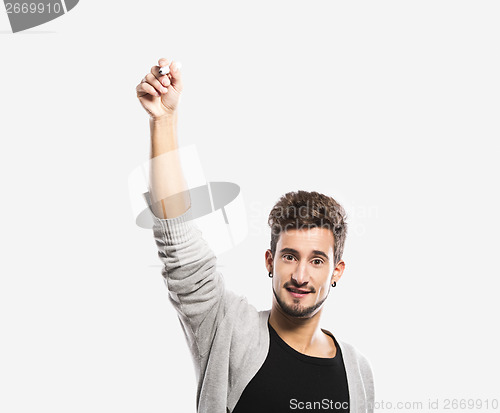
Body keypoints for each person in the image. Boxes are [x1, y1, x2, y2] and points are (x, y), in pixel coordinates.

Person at [136, 57, 375, 413]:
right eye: (290, 256)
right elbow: (180, 246)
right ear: (270, 261)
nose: (300, 275)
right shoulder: (230, 331)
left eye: (317, 260)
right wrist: (163, 121)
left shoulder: (357, 371)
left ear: (336, 271)